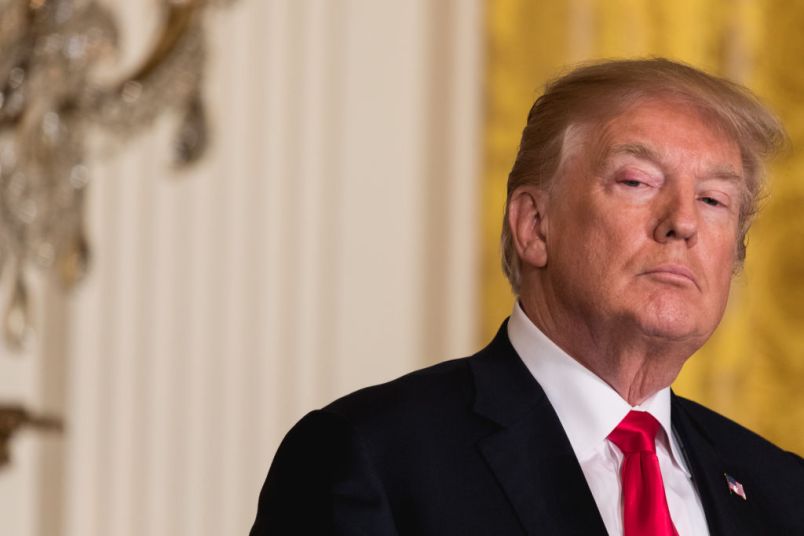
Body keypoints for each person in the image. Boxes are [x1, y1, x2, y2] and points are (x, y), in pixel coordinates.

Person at [250, 58, 804, 535]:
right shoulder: (368, 458)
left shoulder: (783, 490)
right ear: (535, 225)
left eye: (713, 200)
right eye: (637, 181)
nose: (682, 221)